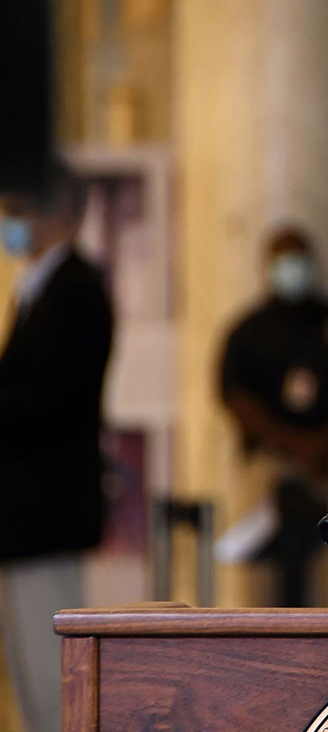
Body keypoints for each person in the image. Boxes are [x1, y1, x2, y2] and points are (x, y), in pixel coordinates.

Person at [0, 163, 113, 732]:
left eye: (20, 210)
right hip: (23, 514)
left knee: (51, 675)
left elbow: (50, 396)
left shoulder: (77, 289)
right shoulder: (37, 287)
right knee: (25, 670)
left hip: (47, 511)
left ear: (61, 214)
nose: (10, 223)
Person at [218, 225, 328, 606]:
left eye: (298, 259)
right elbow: (234, 394)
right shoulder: (248, 330)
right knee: (262, 578)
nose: (292, 269)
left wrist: (323, 443)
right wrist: (290, 444)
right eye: (283, 260)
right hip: (269, 464)